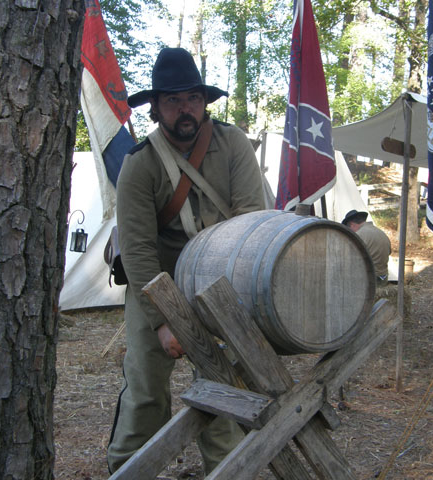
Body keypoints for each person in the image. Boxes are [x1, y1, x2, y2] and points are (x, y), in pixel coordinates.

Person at [107, 47, 265, 474]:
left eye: (193, 98)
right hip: (156, 282)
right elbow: (137, 250)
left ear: (205, 102)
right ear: (156, 108)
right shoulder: (138, 165)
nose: (186, 109)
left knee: (223, 387)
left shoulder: (232, 143)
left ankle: (227, 469)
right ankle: (129, 469)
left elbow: (251, 220)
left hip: (220, 280)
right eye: (174, 101)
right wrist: (162, 320)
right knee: (145, 390)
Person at [342, 210, 391, 285]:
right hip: (383, 277)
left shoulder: (359, 235)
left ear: (351, 225)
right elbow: (389, 252)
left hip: (369, 280)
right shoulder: (380, 232)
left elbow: (349, 259)